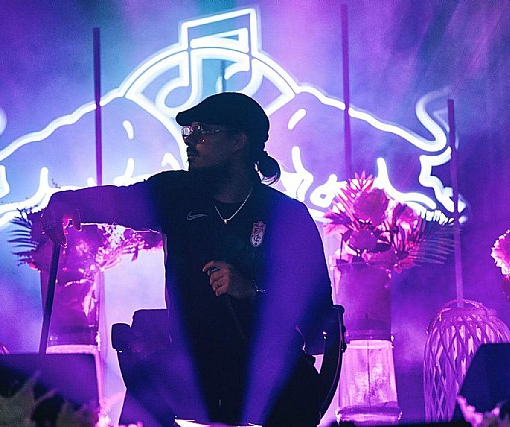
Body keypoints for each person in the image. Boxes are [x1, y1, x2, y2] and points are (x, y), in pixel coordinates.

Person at [41, 92, 333, 426]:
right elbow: (121, 201)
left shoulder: (287, 217)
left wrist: (252, 291)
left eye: (203, 131)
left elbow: (319, 312)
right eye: (189, 132)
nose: (190, 141)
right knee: (143, 397)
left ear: (238, 141)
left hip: (271, 365)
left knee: (299, 395)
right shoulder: (177, 194)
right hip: (193, 366)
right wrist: (67, 203)